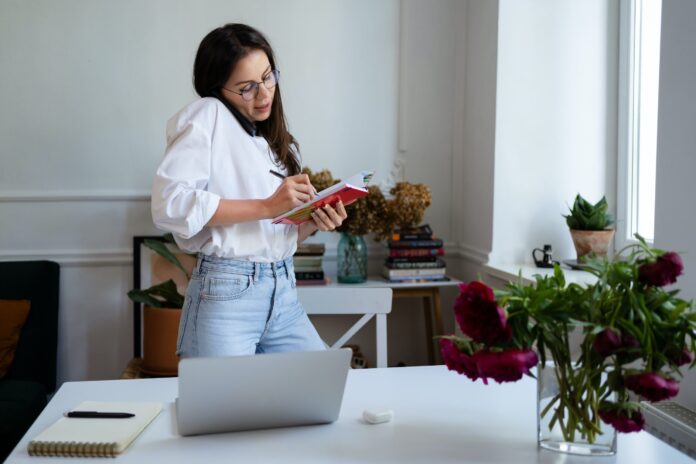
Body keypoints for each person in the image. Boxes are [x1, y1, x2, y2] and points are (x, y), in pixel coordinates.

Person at [151, 23, 347, 358]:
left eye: (268, 77)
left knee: (322, 393)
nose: (265, 93)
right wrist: (268, 206)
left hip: (284, 291)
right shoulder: (207, 115)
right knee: (225, 409)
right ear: (218, 89)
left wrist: (310, 222)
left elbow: (263, 235)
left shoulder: (279, 145)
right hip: (227, 295)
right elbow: (171, 206)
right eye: (247, 87)